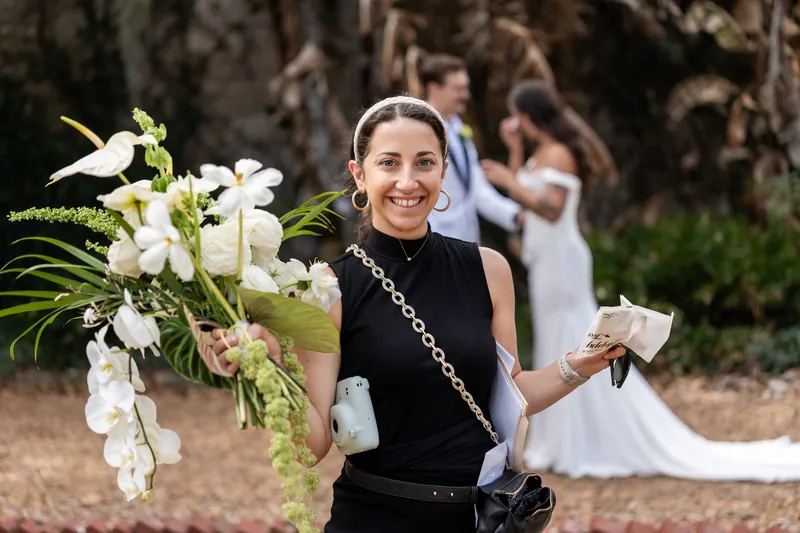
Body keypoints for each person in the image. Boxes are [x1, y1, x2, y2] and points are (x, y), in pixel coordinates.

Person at [205, 95, 627, 532]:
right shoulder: (329, 289)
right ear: (359, 176)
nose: (408, 181)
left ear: (444, 171)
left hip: (476, 520)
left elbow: (511, 392)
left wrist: (580, 365)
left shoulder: (488, 270)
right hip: (374, 520)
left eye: (424, 163)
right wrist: (264, 369)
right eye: (389, 163)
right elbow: (312, 446)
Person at [481, 79, 800, 482]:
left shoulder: (560, 154)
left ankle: (587, 438)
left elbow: (550, 209)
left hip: (562, 259)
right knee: (554, 338)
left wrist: (509, 183)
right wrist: (513, 155)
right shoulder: (538, 155)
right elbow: (523, 195)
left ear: (528, 116)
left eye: (516, 116)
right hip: (544, 260)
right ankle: (562, 437)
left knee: (574, 337)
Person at [419, 54, 522, 244]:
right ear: (434, 88)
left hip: (466, 239)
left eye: (466, 88)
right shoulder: (419, 129)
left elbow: (475, 187)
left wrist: (515, 215)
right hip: (432, 238)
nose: (466, 95)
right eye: (458, 89)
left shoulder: (459, 128)